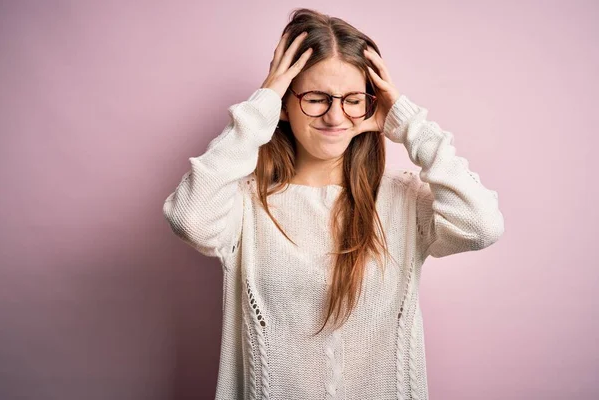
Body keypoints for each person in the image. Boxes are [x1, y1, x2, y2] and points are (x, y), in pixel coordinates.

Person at [163, 8, 504, 400]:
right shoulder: (245, 203)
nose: (335, 115)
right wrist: (262, 104)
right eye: (316, 98)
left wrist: (411, 126)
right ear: (285, 106)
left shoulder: (403, 199)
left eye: (352, 99)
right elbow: (189, 219)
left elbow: (482, 226)